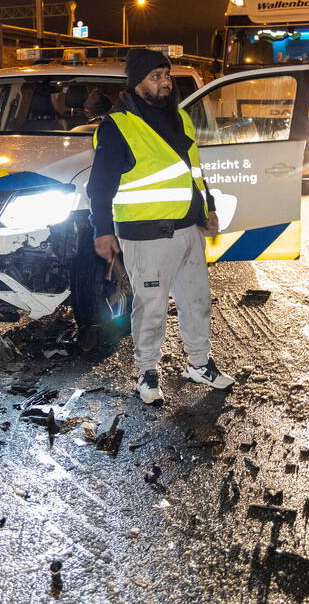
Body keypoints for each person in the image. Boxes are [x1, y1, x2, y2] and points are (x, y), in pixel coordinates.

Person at [87, 48, 233, 406]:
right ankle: (146, 370)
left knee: (197, 301)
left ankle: (199, 363)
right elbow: (100, 186)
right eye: (156, 76)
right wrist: (102, 230)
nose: (165, 82)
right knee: (151, 308)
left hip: (188, 229)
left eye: (167, 75)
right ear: (138, 83)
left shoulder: (179, 117)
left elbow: (194, 171)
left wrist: (209, 208)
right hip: (146, 235)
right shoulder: (118, 126)